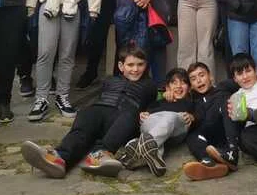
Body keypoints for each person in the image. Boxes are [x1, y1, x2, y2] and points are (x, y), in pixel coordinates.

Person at [20, 45, 157, 179]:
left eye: (140, 65)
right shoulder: (111, 80)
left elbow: (154, 105)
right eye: (130, 65)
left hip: (124, 117)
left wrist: (147, 112)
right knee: (86, 115)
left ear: (145, 65)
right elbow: (101, 97)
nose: (135, 69)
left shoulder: (149, 85)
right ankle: (60, 158)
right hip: (102, 109)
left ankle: (100, 154)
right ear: (121, 66)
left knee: (130, 115)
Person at [116, 67, 195, 176]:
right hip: (152, 124)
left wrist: (193, 117)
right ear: (167, 87)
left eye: (183, 82)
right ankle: (151, 156)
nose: (178, 86)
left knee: (170, 117)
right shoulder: (158, 102)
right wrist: (143, 114)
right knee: (152, 125)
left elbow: (201, 116)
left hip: (176, 127)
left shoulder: (192, 102)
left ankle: (136, 151)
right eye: (174, 83)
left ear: (189, 88)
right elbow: (148, 114)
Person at [181, 61, 240, 181]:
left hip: (225, 133)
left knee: (227, 104)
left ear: (211, 77)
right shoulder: (191, 100)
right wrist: (168, 94)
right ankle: (208, 163)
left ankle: (232, 153)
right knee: (192, 135)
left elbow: (242, 80)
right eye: (193, 79)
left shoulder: (222, 88)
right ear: (191, 85)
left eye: (202, 75)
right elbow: (175, 103)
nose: (198, 80)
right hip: (207, 139)